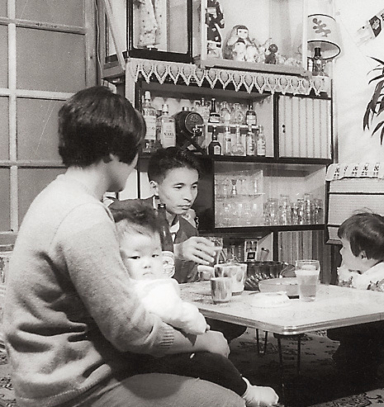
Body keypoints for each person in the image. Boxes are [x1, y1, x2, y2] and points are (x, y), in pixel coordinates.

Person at [2, 86, 245, 407]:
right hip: (73, 387)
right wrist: (202, 340)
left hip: (49, 373)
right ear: (112, 152)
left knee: (199, 368)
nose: (134, 163)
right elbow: (132, 331)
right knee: (226, 401)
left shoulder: (57, 196)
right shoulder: (83, 215)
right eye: (135, 150)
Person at [110, 201, 279, 407]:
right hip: (156, 357)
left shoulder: (131, 279)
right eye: (136, 257)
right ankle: (248, 392)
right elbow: (173, 311)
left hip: (148, 354)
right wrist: (198, 323)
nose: (148, 263)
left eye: (155, 255)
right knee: (213, 363)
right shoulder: (145, 288)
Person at [110, 146, 247, 341]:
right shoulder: (127, 215)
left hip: (175, 309)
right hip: (135, 311)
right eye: (179, 187)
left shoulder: (188, 229)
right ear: (155, 187)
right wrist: (175, 251)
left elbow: (187, 285)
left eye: (194, 186)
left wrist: (206, 274)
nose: (188, 196)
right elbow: (108, 262)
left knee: (233, 324)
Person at [327, 212, 384, 382]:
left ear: (363, 256)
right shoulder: (352, 273)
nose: (340, 251)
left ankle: (380, 363)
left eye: (344, 247)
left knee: (371, 369)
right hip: (358, 330)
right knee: (344, 361)